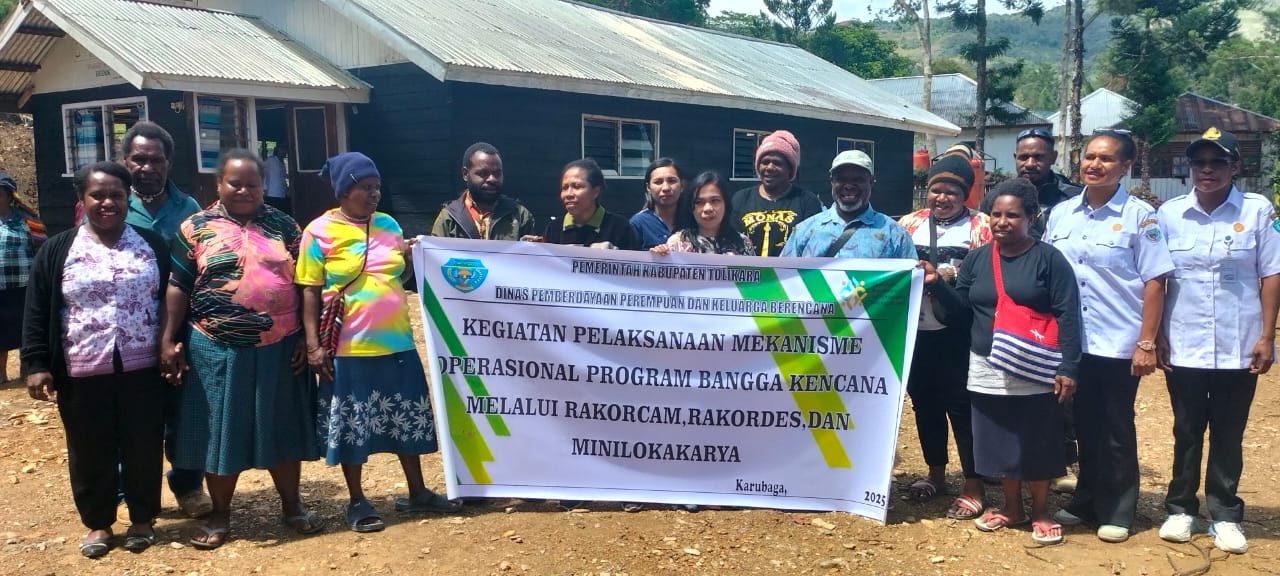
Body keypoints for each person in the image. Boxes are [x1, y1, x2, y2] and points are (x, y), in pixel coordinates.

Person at [159, 149, 322, 550]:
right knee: (219, 433)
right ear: (219, 184)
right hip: (214, 347)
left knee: (282, 427)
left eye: (253, 183)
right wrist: (167, 338)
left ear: (264, 186)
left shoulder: (285, 226)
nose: (245, 190)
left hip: (280, 347)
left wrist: (305, 337)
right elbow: (178, 285)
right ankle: (220, 514)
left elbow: (307, 285)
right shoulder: (195, 228)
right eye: (235, 183)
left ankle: (292, 506)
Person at [298, 152, 459, 533]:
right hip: (348, 348)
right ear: (344, 190)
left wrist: (414, 256)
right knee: (353, 425)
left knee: (406, 420)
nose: (374, 194)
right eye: (366, 188)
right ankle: (357, 500)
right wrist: (313, 345)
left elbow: (397, 276)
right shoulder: (318, 232)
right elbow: (309, 291)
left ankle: (418, 491)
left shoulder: (388, 224)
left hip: (398, 343)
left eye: (377, 187)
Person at [21, 162, 170, 557]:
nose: (108, 202)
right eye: (98, 195)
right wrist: (36, 363)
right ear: (82, 199)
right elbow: (37, 308)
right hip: (81, 366)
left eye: (116, 195)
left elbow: (169, 302)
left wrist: (171, 345)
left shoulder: (152, 244)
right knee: (89, 448)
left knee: (143, 443)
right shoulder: (59, 249)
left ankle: (142, 519)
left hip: (143, 368)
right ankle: (99, 523)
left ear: (128, 198)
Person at [927, 178, 1081, 546]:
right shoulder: (978, 259)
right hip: (987, 364)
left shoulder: (1049, 259)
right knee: (999, 440)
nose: (1001, 222)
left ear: (1031, 217)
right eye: (995, 214)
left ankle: (1041, 511)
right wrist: (937, 284)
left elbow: (1068, 314)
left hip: (1035, 365)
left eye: (1012, 215)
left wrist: (1069, 367)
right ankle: (1012, 508)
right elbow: (962, 311)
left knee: (1037, 440)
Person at [1043, 130, 1174, 543]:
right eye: (1089, 157)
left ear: (1125, 166)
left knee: (1115, 426)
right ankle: (1086, 499)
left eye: (1106, 159)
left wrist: (1146, 342)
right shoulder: (1062, 213)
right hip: (1072, 342)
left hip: (1117, 340)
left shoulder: (1140, 217)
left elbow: (1156, 281)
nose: (1094, 165)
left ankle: (1118, 507)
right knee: (1083, 424)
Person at [1155, 127, 1280, 555]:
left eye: (1218, 162)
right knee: (1186, 430)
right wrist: (1157, 335)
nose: (1207, 170)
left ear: (1235, 166)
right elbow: (1158, 279)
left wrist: (1267, 335)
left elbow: (1271, 274)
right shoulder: (1170, 214)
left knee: (1228, 432)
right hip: (1184, 340)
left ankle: (1225, 514)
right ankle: (1180, 509)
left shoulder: (1258, 211)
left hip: (1238, 342)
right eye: (1199, 163)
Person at [115, 121, 211, 521]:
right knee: (133, 410)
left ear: (168, 162)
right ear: (126, 161)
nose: (147, 167)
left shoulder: (188, 208)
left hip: (181, 324)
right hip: (126, 328)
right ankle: (130, 491)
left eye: (156, 160)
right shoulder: (112, 203)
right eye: (139, 159)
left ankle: (188, 484)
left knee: (185, 408)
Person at [984, 128, 1085, 491]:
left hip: (1051, 297)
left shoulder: (1071, 198)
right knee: (1010, 388)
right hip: (1011, 300)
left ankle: (1062, 463)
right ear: (1015, 158)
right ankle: (1008, 463)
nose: (1030, 163)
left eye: (1038, 156)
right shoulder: (996, 195)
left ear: (1053, 158)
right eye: (1023, 156)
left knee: (1055, 393)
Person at [895, 155, 991, 520]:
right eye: (936, 189)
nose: (942, 197)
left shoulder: (981, 226)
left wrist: (948, 274)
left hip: (958, 331)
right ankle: (935, 472)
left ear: (965, 194)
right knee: (924, 403)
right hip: (916, 331)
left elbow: (986, 273)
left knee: (963, 406)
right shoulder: (908, 224)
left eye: (952, 191)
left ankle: (974, 482)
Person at [780, 150, 914, 259]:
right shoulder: (804, 231)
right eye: (841, 179)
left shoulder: (895, 235)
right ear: (832, 182)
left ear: (871, 182)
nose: (849, 186)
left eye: (858, 179)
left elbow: (910, 279)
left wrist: (923, 274)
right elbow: (782, 278)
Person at [731, 130, 824, 257]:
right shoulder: (740, 199)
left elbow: (812, 246)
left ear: (790, 169)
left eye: (777, 163)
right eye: (765, 162)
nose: (769, 167)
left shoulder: (807, 201)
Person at [431, 142, 536, 240]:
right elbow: (435, 253)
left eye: (497, 173)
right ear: (465, 174)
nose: (492, 179)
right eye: (483, 173)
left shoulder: (520, 215)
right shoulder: (449, 218)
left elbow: (531, 253)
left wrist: (531, 249)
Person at [1, 172, 44, 383]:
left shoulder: (27, 220)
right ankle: (1, 375)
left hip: (24, 287)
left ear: (10, 196)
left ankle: (26, 372)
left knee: (24, 330)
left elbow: (41, 249)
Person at [651, 171, 754, 256]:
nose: (707, 208)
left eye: (715, 201)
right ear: (691, 207)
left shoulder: (743, 243)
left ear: (726, 204)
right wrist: (659, 258)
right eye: (699, 202)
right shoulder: (676, 243)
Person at [544, 158, 639, 250]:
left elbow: (634, 259)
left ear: (595, 191)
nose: (568, 194)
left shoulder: (620, 227)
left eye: (577, 186)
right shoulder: (554, 228)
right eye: (564, 188)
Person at [630, 158, 685, 249]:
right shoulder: (638, 224)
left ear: (682, 185)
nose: (666, 188)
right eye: (658, 182)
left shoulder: (693, 222)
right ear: (648, 188)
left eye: (672, 181)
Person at [263, 144, 290, 215]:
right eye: (283, 149)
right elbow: (263, 174)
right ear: (278, 150)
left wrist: (287, 189)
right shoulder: (270, 161)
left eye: (286, 150)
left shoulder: (282, 163)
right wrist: (264, 188)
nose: (285, 152)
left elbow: (282, 177)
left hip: (282, 193)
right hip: (272, 193)